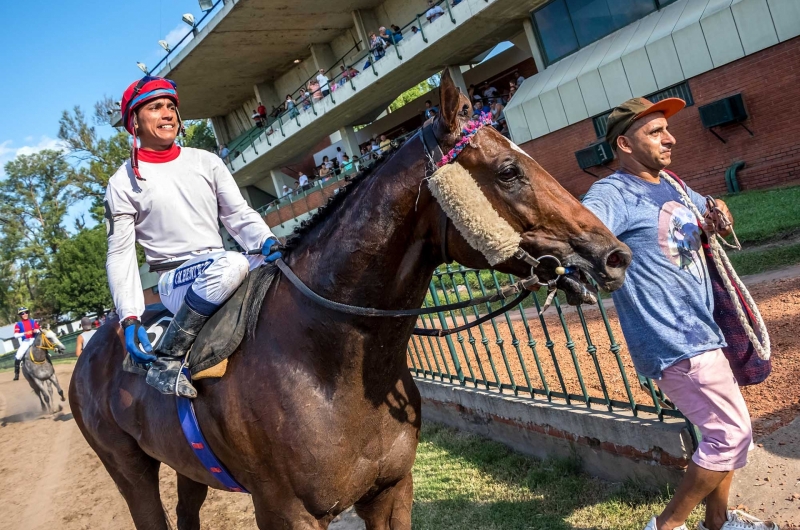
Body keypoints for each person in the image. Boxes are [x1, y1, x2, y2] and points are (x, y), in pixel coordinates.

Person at [581, 97, 775, 530]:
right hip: (673, 337)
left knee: (721, 434)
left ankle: (718, 523)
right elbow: (582, 232)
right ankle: (666, 526)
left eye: (667, 129)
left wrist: (720, 214)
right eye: (655, 132)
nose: (670, 138)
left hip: (704, 328)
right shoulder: (613, 192)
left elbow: (710, 211)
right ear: (625, 145)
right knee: (730, 435)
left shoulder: (672, 183)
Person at [106, 76, 282, 398]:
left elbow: (238, 215)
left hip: (221, 262)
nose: (168, 114)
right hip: (176, 278)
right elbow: (120, 255)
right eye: (156, 107)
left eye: (171, 107)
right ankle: (168, 359)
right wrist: (129, 316)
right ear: (134, 121)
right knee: (231, 265)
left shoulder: (206, 161)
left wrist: (267, 240)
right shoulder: (121, 183)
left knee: (287, 260)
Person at [12, 307, 40, 381]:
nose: (24, 314)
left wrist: (35, 331)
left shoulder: (33, 321)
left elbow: (39, 330)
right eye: (22, 313)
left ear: (28, 313)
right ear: (20, 315)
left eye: (26, 312)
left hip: (34, 339)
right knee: (18, 356)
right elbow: (15, 335)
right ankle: (17, 373)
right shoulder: (18, 324)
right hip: (26, 341)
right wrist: (25, 333)